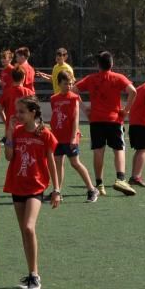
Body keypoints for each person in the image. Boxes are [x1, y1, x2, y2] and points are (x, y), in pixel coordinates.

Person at [3, 96, 61, 289]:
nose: (17, 115)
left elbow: (52, 163)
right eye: (16, 111)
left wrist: (57, 189)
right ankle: (30, 274)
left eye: (21, 112)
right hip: (17, 186)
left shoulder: (44, 134)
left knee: (29, 228)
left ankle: (35, 276)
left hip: (36, 187)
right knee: (24, 233)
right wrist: (9, 133)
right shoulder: (17, 132)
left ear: (33, 113)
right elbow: (9, 157)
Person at [72, 51, 138, 196]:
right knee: (119, 149)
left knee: (98, 151)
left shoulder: (91, 78)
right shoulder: (118, 78)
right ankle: (120, 179)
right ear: (111, 64)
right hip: (114, 120)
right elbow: (133, 91)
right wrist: (126, 110)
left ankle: (99, 185)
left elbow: (73, 90)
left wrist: (85, 109)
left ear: (98, 65)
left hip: (96, 120)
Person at [49, 71, 98, 202]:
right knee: (58, 163)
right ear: (59, 84)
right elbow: (55, 117)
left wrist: (73, 136)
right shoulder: (53, 99)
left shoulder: (73, 98)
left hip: (69, 137)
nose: (69, 86)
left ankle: (92, 189)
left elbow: (75, 117)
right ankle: (57, 191)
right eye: (66, 84)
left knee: (75, 163)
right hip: (57, 138)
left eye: (71, 84)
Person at [0, 67, 34, 142]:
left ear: (12, 77)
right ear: (23, 77)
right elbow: (34, 112)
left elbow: (0, 111)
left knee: (10, 152)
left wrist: (6, 123)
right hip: (25, 128)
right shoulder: (29, 93)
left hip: (11, 129)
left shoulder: (7, 92)